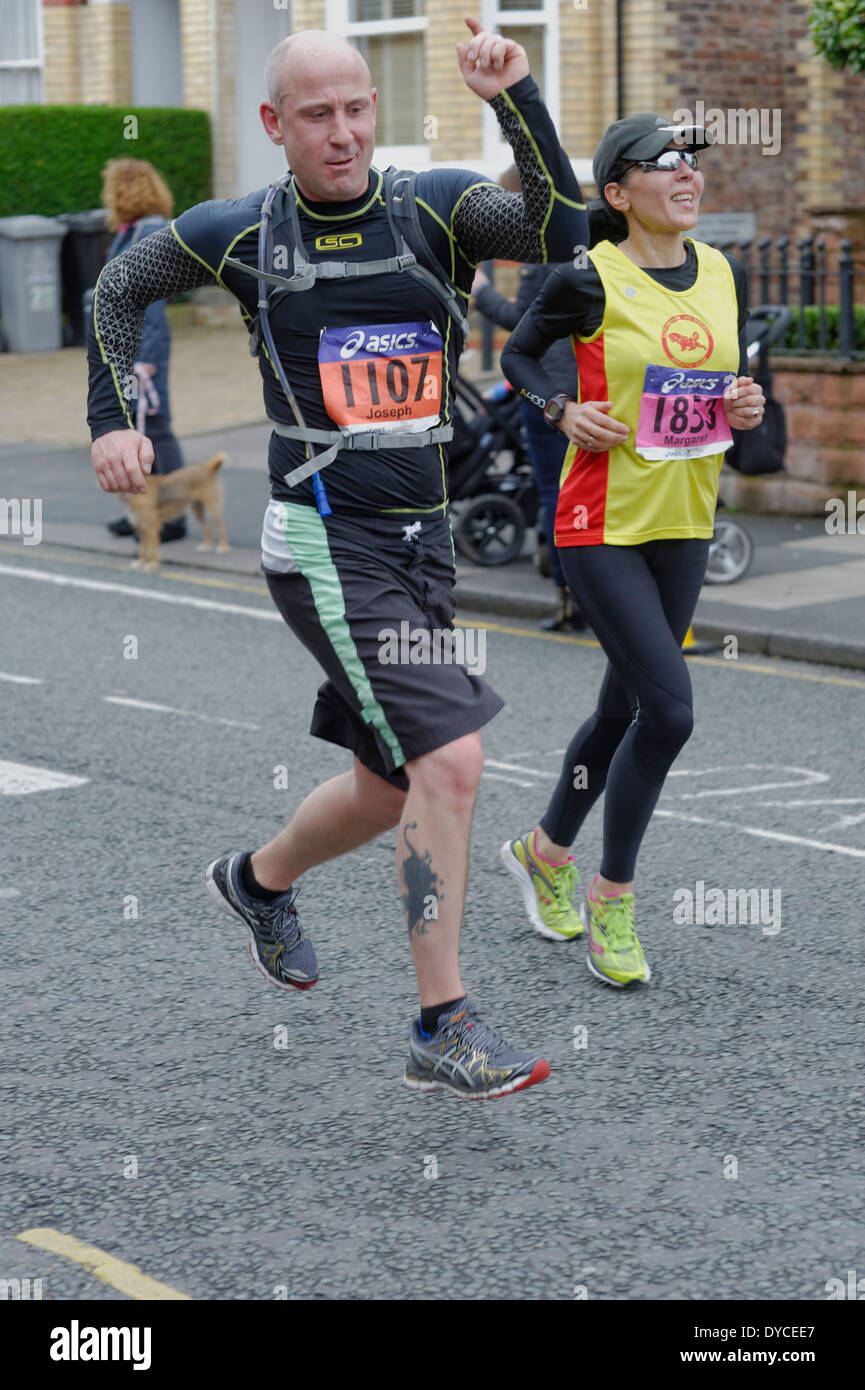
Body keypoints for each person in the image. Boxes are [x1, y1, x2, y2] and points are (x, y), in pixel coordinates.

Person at [86, 21, 587, 1098]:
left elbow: (561, 223)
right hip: (323, 535)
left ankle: (256, 881)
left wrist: (517, 96)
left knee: (384, 783)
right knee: (449, 764)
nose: (344, 131)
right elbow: (117, 290)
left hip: (425, 537)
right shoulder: (239, 234)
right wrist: (114, 414)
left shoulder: (435, 208)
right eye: (317, 114)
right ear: (275, 126)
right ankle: (441, 1021)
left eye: (357, 107)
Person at [499, 112, 764, 976]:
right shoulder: (588, 278)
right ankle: (611, 898)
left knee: (621, 711)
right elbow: (519, 356)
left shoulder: (720, 272)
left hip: (684, 521)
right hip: (599, 523)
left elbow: (722, 394)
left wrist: (742, 407)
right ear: (617, 192)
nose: (687, 174)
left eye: (692, 162)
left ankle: (544, 850)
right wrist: (561, 409)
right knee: (670, 712)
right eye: (665, 163)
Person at [471, 166, 585, 631]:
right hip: (590, 387)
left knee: (555, 494)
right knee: (586, 494)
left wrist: (481, 293)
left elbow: (524, 324)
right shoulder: (590, 245)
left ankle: (569, 603)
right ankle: (598, 596)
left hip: (546, 391)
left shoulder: (542, 254)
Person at [98, 158, 187, 542]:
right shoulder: (134, 230)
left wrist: (144, 361)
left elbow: (148, 303)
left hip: (142, 353)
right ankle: (141, 510)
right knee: (135, 424)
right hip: (128, 351)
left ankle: (173, 517)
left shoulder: (149, 232)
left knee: (157, 425)